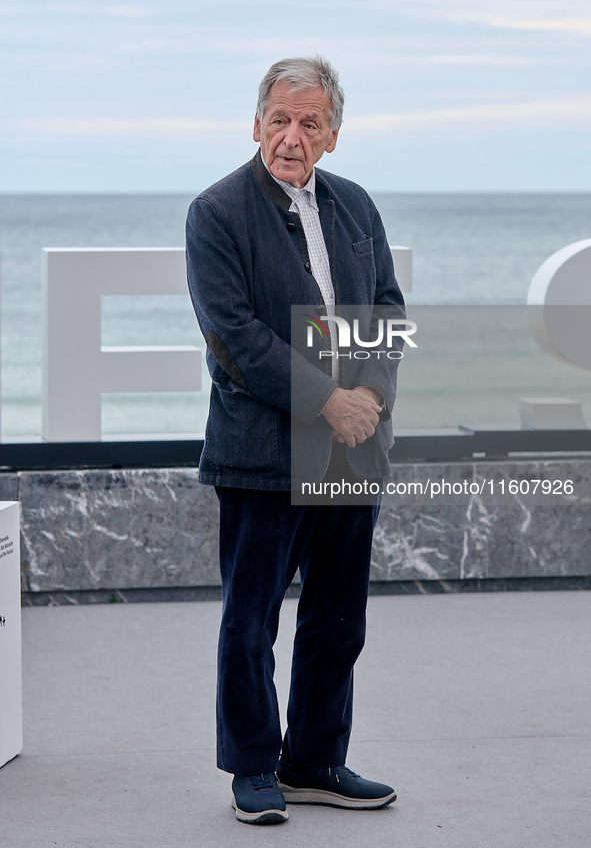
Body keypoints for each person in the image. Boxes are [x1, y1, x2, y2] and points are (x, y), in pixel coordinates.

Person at [186, 56, 404, 825]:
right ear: (255, 126)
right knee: (250, 620)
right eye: (279, 119)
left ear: (332, 136)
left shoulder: (354, 206)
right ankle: (252, 765)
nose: (291, 135)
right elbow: (234, 337)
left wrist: (369, 396)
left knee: (338, 617)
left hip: (350, 450)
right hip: (262, 452)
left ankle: (313, 759)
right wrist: (328, 401)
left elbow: (384, 306)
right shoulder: (215, 212)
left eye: (309, 122)